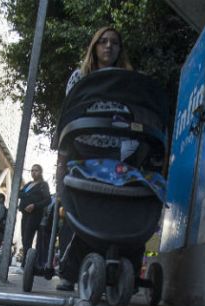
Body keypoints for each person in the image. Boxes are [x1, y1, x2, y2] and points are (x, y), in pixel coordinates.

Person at [55, 26, 134, 291]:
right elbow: (71, 112)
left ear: (120, 49)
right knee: (79, 207)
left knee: (114, 207)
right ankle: (69, 270)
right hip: (83, 147)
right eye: (103, 41)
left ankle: (113, 266)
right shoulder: (80, 77)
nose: (108, 46)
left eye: (114, 43)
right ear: (94, 46)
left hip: (116, 151)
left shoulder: (127, 81)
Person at [17, 164, 51, 273]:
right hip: (25, 214)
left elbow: (48, 200)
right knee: (24, 239)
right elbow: (20, 193)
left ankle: (25, 265)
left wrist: (34, 205)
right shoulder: (28, 184)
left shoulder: (43, 185)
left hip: (35, 215)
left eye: (36, 170)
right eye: (32, 170)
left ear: (40, 172)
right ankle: (27, 264)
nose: (33, 172)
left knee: (28, 238)